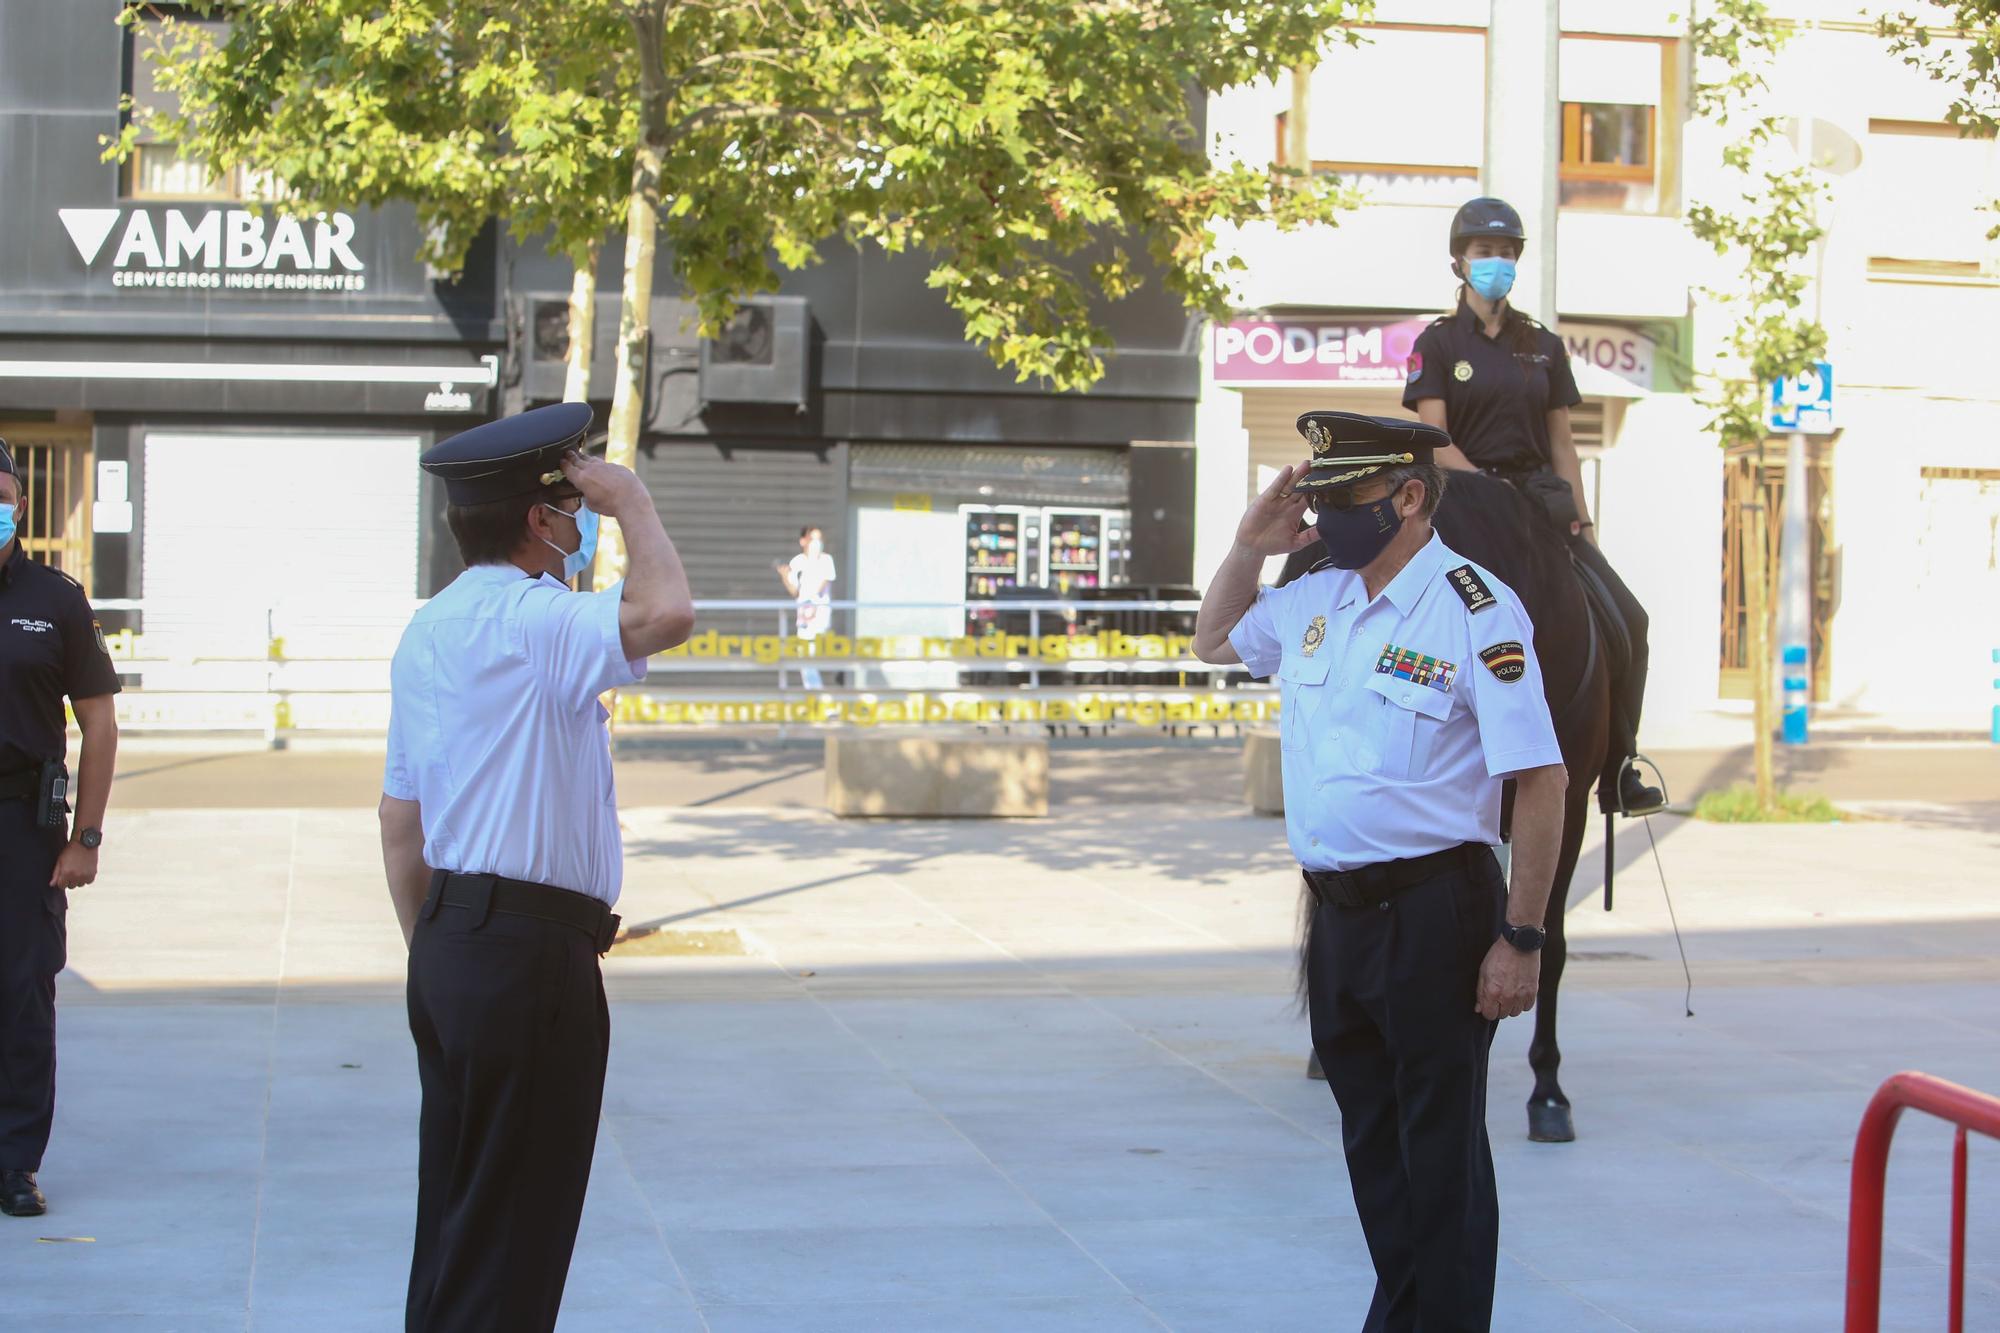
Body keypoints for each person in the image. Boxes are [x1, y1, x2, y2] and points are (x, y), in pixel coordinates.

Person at [1194, 411, 1567, 1331]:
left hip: (1435, 912)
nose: (1324, 517)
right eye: (1316, 499)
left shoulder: (1476, 608)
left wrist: (1522, 936)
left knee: (1438, 1155)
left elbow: (1541, 778)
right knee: (1373, 1146)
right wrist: (1248, 545)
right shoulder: (1315, 597)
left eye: (1343, 497)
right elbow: (1214, 637)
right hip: (1338, 917)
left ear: (1407, 496)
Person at [380, 402, 694, 1332]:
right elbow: (667, 611)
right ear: (539, 519)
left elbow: (400, 822)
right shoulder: (534, 618)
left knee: (460, 1223)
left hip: (450, 943)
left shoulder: (427, 629)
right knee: (515, 1240)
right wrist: (633, 501)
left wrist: (440, 949)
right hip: (526, 957)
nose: (579, 521)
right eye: (572, 506)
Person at [1402, 195, 1664, 816]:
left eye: (1506, 252)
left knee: (1631, 617)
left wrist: (1584, 524)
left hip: (1541, 509)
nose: (1496, 262)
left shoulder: (1543, 344)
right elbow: (1434, 438)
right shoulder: (1436, 343)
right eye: (1483, 251)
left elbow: (1563, 443)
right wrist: (1490, 491)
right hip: (1465, 506)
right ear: (1460, 261)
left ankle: (1620, 764)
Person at [0, 439, 119, 1219]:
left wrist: (87, 837)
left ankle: (14, 1162)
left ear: (19, 501)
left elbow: (99, 724)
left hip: (21, 823)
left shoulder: (57, 598)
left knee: (21, 990)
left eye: (1, 495)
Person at [774, 524, 834, 690]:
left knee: (811, 658)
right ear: (803, 541)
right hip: (804, 620)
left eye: (819, 539)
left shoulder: (826, 560)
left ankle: (818, 696)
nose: (816, 543)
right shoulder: (797, 562)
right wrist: (785, 576)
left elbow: (822, 583)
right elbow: (795, 591)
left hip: (820, 617)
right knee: (805, 659)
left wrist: (809, 598)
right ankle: (816, 695)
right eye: (812, 539)